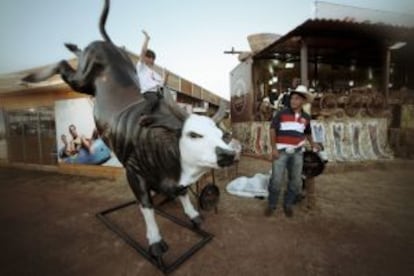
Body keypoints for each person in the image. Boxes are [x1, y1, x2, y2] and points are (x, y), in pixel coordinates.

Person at [265, 85, 320, 217]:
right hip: (281, 151)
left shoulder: (306, 117)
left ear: (302, 101)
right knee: (276, 180)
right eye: (292, 98)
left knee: (295, 182)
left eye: (296, 99)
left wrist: (313, 144)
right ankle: (272, 205)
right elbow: (272, 129)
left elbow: (307, 132)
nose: (293, 101)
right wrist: (274, 148)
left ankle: (288, 204)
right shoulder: (281, 113)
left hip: (297, 152)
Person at [136, 30, 165, 125]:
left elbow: (161, 84)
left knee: (163, 102)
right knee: (153, 100)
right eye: (150, 58)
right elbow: (143, 51)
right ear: (145, 58)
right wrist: (147, 39)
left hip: (157, 92)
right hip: (147, 92)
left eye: (153, 59)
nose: (152, 60)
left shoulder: (154, 73)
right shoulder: (141, 67)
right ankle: (143, 116)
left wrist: (165, 75)